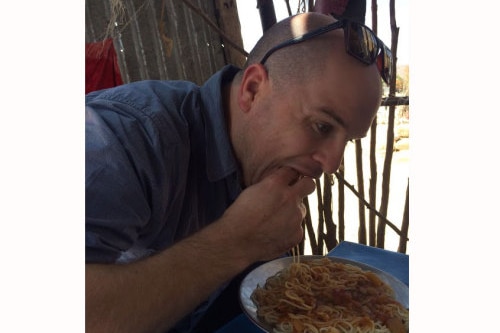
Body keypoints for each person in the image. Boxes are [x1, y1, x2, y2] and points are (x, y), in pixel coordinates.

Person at [85, 11, 391, 333]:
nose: (331, 164)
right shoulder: (127, 137)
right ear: (253, 89)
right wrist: (234, 243)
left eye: (349, 140)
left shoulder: (262, 166)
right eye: (321, 125)